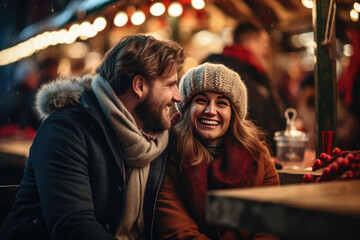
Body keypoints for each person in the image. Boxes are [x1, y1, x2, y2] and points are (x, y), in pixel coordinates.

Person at [0, 34, 185, 240]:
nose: (177, 96)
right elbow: (75, 228)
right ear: (139, 86)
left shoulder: (158, 138)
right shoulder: (66, 130)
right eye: (170, 85)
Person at [155, 63, 280, 239]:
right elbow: (179, 232)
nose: (210, 111)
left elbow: (269, 224)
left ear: (234, 114)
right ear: (186, 108)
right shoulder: (170, 154)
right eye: (201, 100)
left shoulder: (257, 153)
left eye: (221, 103)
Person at [203, 21, 285, 154]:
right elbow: (258, 120)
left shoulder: (220, 67)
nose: (265, 51)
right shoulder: (247, 75)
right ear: (251, 43)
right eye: (264, 44)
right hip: (248, 152)